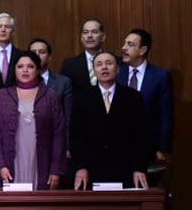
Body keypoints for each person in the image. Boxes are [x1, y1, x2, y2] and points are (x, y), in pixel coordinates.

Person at [71, 51, 149, 189]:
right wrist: (81, 167)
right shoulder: (82, 98)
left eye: (109, 63)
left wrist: (139, 167)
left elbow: (142, 136)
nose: (104, 67)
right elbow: (76, 136)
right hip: (91, 169)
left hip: (126, 168)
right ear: (94, 71)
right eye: (99, 64)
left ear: (118, 69)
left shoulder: (133, 97)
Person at [0, 51, 65, 190]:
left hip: (41, 161)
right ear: (14, 70)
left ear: (38, 70)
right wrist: (0, 165)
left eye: (30, 66)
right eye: (20, 66)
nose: (25, 70)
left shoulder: (50, 96)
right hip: (10, 162)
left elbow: (58, 135)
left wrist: (55, 169)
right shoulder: (3, 95)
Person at [118, 29, 173, 166]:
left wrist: (162, 148)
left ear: (142, 50)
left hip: (149, 148)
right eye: (124, 43)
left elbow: (166, 115)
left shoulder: (160, 76)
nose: (123, 48)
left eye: (130, 44)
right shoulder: (117, 73)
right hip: (118, 145)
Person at [29, 37, 73, 137]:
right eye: (33, 52)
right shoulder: (18, 83)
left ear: (49, 57)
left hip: (55, 139)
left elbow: (68, 117)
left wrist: (67, 147)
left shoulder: (63, 82)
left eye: (42, 52)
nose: (37, 55)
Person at [60, 19, 106, 91]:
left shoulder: (116, 61)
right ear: (81, 38)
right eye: (85, 32)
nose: (89, 36)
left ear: (103, 37)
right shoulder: (69, 65)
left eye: (94, 32)